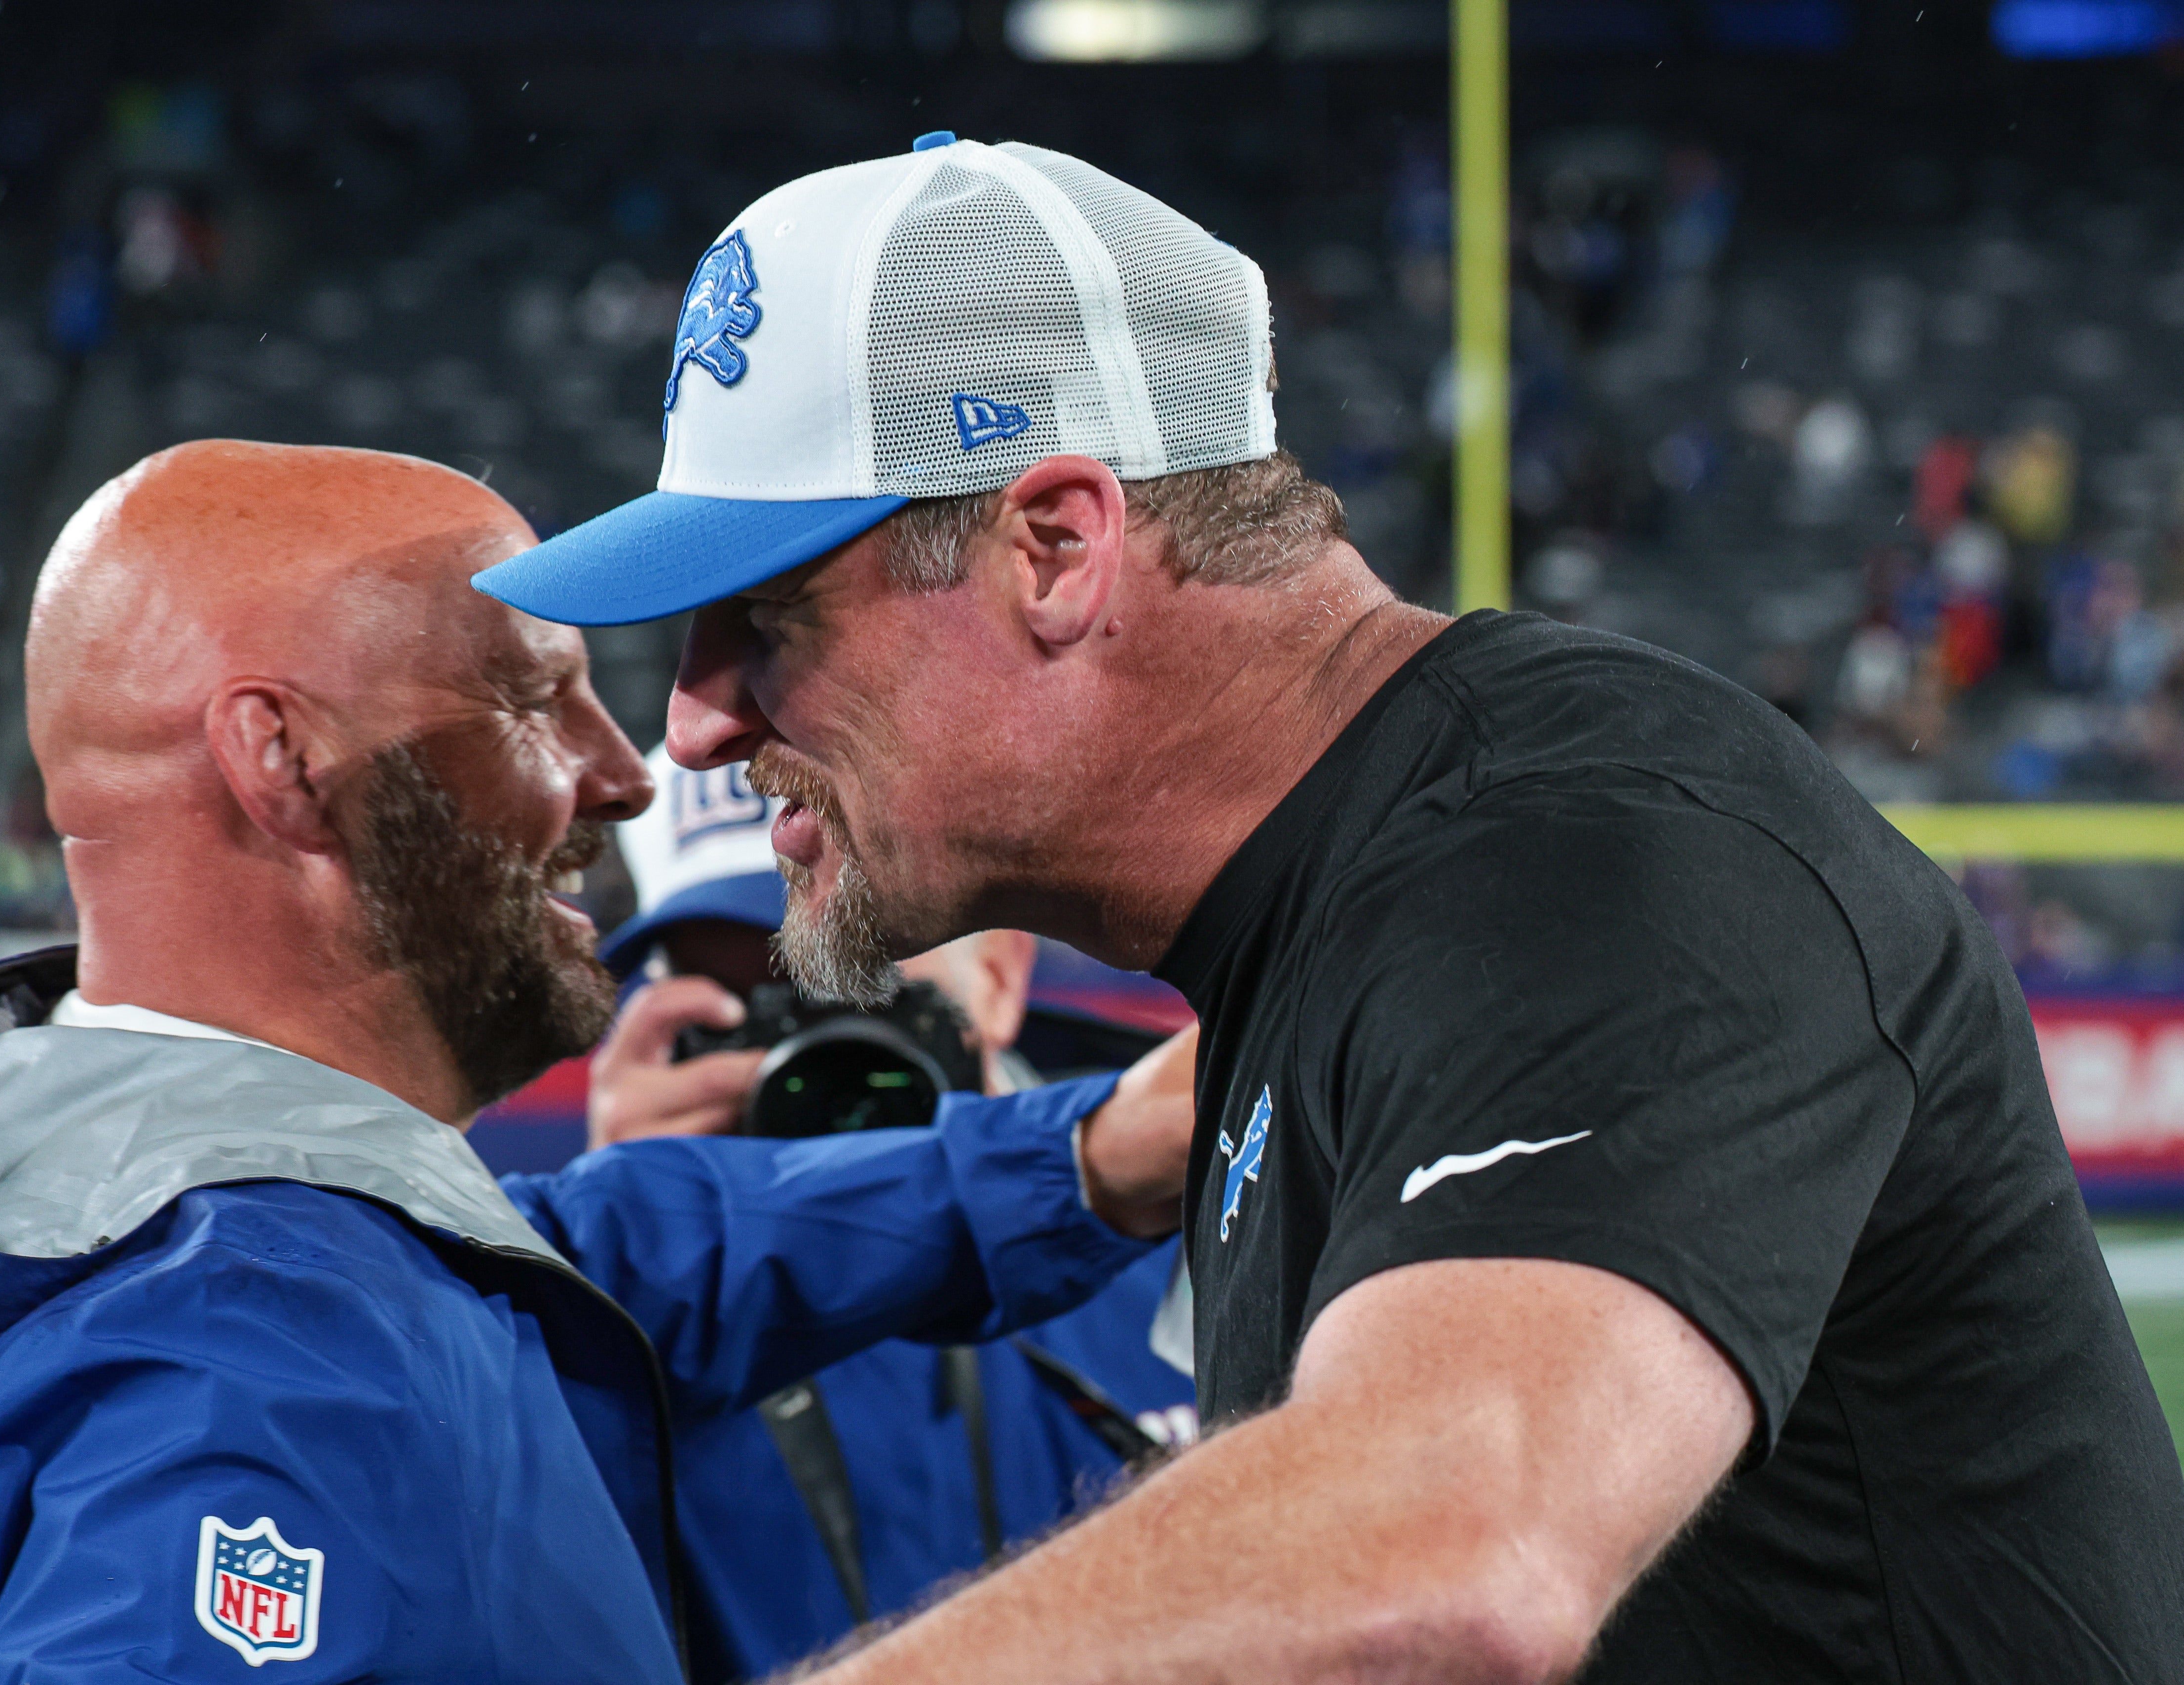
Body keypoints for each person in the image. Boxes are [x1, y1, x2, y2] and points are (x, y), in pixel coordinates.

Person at [473, 136, 2184, 1681]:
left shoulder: (1588, 852)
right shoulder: (1331, 907)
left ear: (1057, 547)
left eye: (769, 619)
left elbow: (1441, 1557)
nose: (693, 725)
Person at [0, 440, 1197, 1685]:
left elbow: (630, 1255)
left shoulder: (222, 1234)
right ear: (284, 759)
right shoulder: (245, 1371)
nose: (625, 772)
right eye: (533, 698)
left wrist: (1091, 1154)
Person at [590, 745, 1195, 1681]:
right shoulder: (624, 1321)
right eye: (756, 1014)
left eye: (856, 986)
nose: (819, 1060)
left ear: (999, 977)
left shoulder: (1206, 1201)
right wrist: (615, 1296)